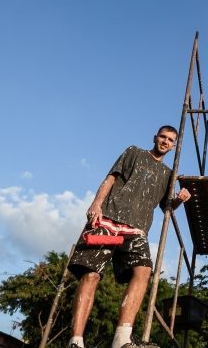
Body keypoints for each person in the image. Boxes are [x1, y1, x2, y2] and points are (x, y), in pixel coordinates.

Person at [67, 125, 191, 348]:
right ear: (155, 137)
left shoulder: (168, 175)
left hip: (135, 229)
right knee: (91, 275)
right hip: (108, 219)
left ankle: (122, 339)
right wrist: (96, 204)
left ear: (173, 146)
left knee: (143, 270)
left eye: (170, 140)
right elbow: (111, 179)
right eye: (163, 137)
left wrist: (180, 200)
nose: (165, 141)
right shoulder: (134, 152)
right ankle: (76, 341)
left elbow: (166, 207)